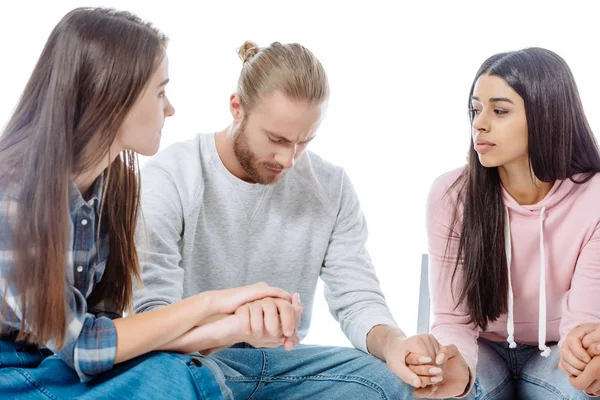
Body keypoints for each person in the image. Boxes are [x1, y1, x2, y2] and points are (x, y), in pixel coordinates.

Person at [0, 8, 290, 399]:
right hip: (12, 375)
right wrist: (212, 302)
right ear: (113, 99)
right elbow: (86, 347)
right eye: (160, 92)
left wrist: (232, 328)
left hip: (55, 367)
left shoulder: (113, 185)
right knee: (179, 380)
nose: (169, 109)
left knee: (183, 372)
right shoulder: (14, 195)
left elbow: (109, 335)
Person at [133, 40, 432, 399]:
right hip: (191, 360)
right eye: (276, 139)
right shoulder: (170, 177)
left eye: (303, 142)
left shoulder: (331, 187)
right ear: (237, 108)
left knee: (386, 381)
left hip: (279, 368)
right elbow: (152, 316)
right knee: (174, 380)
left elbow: (357, 298)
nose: (288, 159)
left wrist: (395, 344)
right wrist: (235, 325)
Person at [416, 47, 600, 399]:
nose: (479, 123)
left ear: (547, 115)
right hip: (482, 349)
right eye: (475, 109)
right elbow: (453, 320)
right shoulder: (450, 195)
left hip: (556, 351)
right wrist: (454, 371)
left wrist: (585, 354)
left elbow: (584, 321)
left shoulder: (594, 197)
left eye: (499, 111)